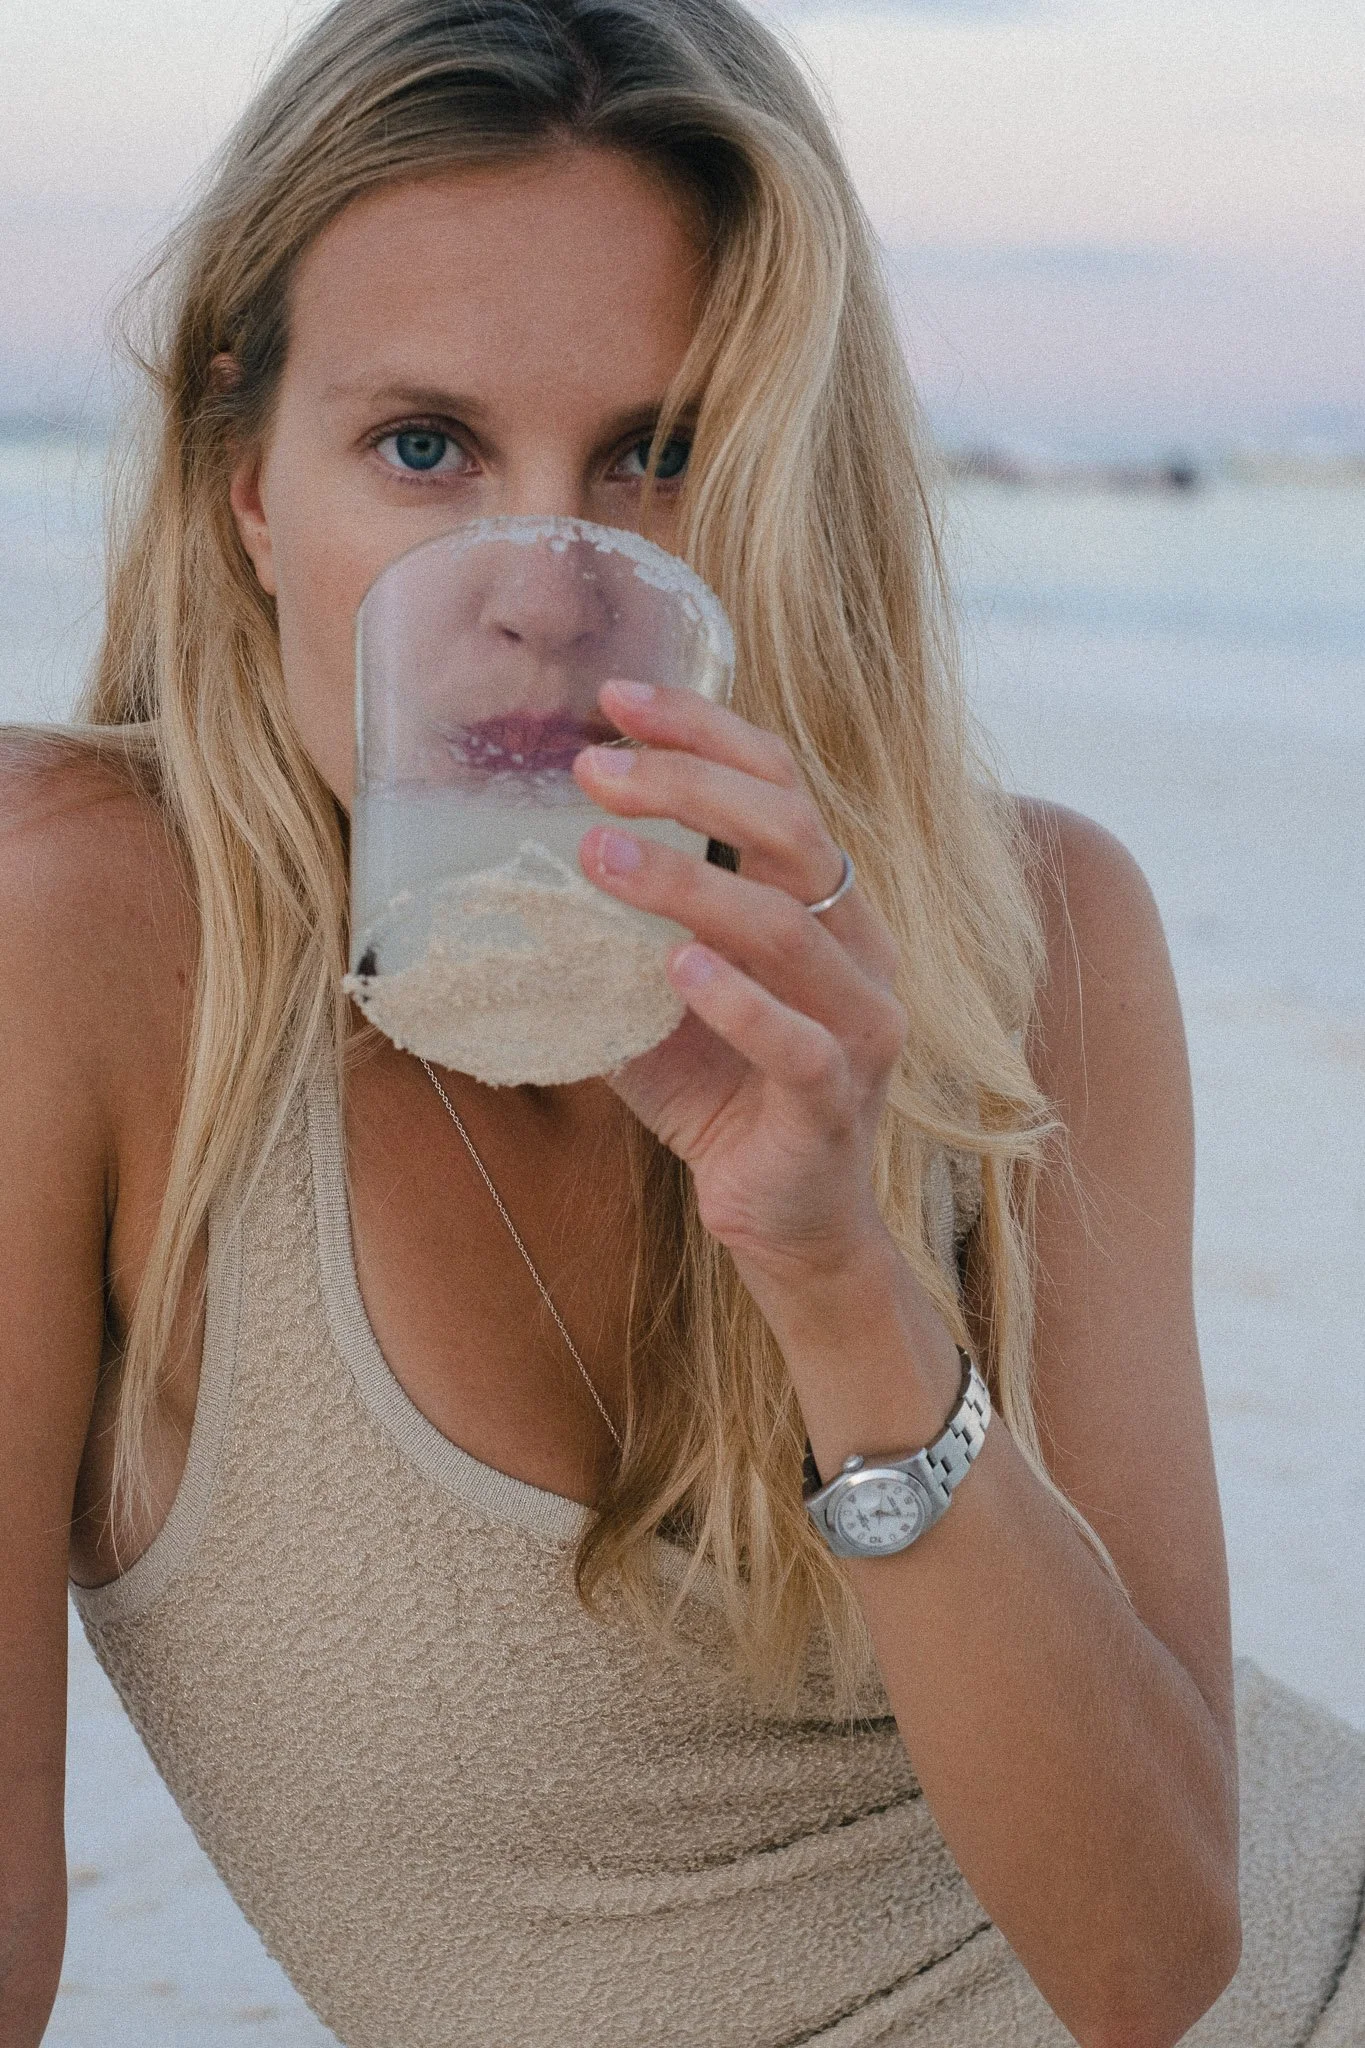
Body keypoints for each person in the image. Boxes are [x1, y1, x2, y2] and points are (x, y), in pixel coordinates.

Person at [1, 2, 1361, 2044]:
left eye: (659, 455)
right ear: (247, 488)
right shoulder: (74, 938)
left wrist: (834, 1268)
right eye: (424, 447)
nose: (543, 586)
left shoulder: (1035, 932)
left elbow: (1164, 1952)